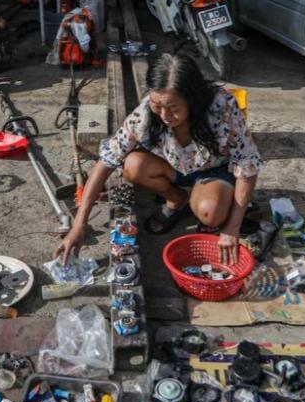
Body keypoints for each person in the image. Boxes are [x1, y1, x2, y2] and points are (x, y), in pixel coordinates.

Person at [55, 53, 262, 265]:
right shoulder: (146, 112)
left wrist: (232, 228)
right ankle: (176, 198)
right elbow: (107, 160)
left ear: (193, 99)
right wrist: (79, 225)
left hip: (214, 169)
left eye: (173, 108)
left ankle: (208, 197)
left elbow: (248, 164)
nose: (164, 115)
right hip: (174, 167)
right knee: (133, 166)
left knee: (211, 214)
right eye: (157, 106)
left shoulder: (222, 106)